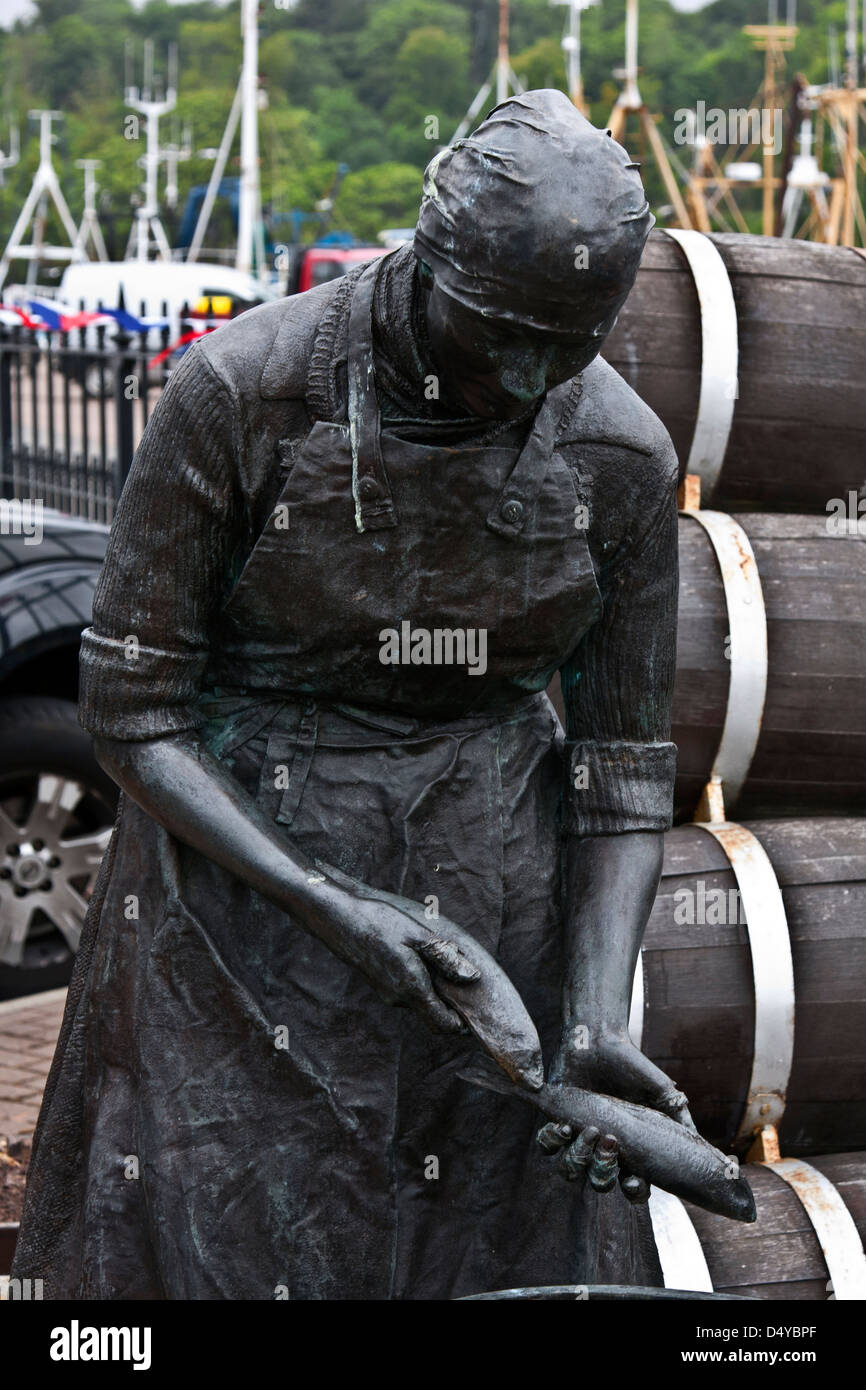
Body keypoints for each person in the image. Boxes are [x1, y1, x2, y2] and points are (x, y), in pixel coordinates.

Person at [13, 90, 685, 1300]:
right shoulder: (240, 395)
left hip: (491, 894)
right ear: (425, 262)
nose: (527, 375)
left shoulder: (621, 457)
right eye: (499, 333)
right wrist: (331, 901)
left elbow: (622, 763)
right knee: (218, 1229)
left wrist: (591, 1014)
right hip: (235, 874)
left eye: (567, 342)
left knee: (475, 1235)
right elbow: (133, 708)